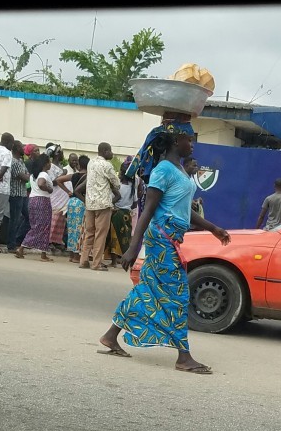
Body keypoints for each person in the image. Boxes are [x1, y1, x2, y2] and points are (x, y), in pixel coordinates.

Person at [98, 128, 231, 374]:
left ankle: (110, 335)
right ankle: (184, 356)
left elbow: (184, 209)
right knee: (179, 295)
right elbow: (148, 210)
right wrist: (132, 248)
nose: (192, 144)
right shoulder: (162, 171)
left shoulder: (180, 171)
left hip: (172, 237)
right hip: (162, 239)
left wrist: (214, 228)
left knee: (146, 290)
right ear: (174, 142)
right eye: (187, 140)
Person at [79, 142, 121, 271]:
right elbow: (117, 184)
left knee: (89, 232)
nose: (112, 153)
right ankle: (96, 263)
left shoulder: (90, 163)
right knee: (100, 234)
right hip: (103, 204)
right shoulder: (107, 165)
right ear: (105, 151)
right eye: (110, 151)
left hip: (90, 203)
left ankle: (84, 260)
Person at [15, 154, 55, 262]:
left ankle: (43, 252)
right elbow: (41, 184)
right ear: (45, 163)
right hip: (42, 201)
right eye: (49, 162)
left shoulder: (33, 175)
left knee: (37, 226)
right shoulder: (43, 174)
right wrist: (49, 189)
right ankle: (22, 247)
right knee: (42, 227)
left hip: (32, 200)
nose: (50, 164)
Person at [106, 159, 136, 267]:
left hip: (116, 213)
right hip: (127, 214)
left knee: (115, 237)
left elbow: (112, 198)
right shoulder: (133, 186)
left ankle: (113, 262)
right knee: (125, 238)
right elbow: (135, 204)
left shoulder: (118, 186)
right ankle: (127, 261)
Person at [5, 140, 31, 252]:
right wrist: (27, 176)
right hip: (15, 194)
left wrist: (27, 175)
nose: (23, 148)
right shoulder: (14, 162)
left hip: (23, 193)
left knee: (28, 218)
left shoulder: (21, 161)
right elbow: (25, 177)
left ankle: (18, 239)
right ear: (16, 148)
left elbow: (27, 175)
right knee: (14, 220)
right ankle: (11, 244)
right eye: (21, 146)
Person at [46, 144, 71, 253]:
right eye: (61, 153)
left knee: (60, 221)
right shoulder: (51, 167)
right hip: (55, 197)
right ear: (56, 154)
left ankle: (57, 241)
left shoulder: (61, 166)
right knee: (54, 220)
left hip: (63, 199)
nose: (62, 155)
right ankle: (49, 242)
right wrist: (62, 174)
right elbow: (52, 182)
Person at [64, 155, 88, 263]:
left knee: (71, 229)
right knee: (80, 230)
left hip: (72, 202)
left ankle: (71, 254)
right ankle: (76, 256)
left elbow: (58, 180)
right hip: (81, 202)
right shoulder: (88, 176)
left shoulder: (74, 175)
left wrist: (68, 192)